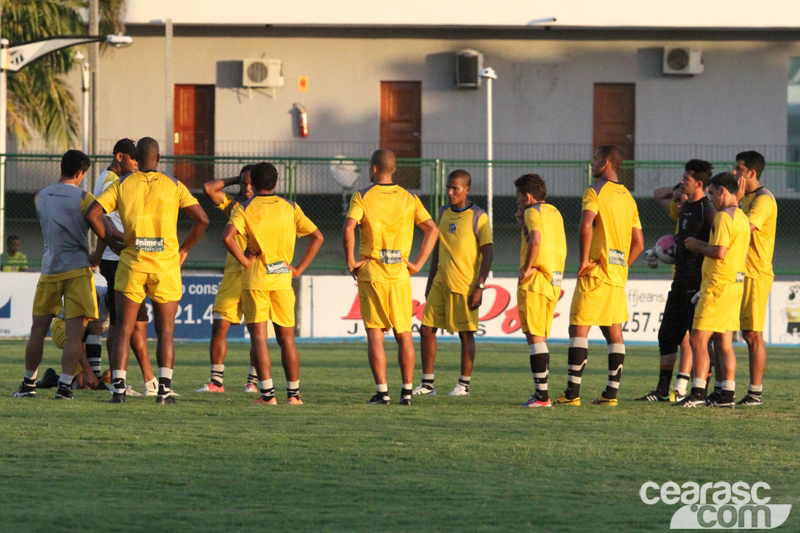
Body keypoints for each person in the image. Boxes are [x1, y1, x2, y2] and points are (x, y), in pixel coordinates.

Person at [85, 137, 209, 404]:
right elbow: (202, 219)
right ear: (159, 158)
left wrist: (111, 242)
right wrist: (185, 248)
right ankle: (163, 391)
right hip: (165, 265)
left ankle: (118, 391)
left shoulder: (122, 184)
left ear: (137, 159)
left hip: (133, 263)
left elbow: (92, 214)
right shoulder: (174, 185)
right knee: (166, 332)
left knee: (124, 329)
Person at [343, 149, 438, 406]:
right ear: (393, 169)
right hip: (399, 274)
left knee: (375, 334)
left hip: (372, 272)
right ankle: (407, 393)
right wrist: (417, 264)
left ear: (373, 169)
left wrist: (351, 260)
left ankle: (382, 393)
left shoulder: (362, 196)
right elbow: (432, 229)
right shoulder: (410, 198)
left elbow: (349, 227)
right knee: (404, 333)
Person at [223, 162, 323, 405]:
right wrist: (298, 268)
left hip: (256, 278)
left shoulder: (245, 207)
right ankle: (294, 395)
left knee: (259, 338)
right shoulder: (290, 207)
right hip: (282, 279)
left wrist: (246, 262)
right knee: (287, 338)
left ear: (253, 184)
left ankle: (268, 395)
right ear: (276, 183)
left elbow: (227, 237)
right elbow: (317, 237)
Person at [556, 145, 644, 406]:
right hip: (617, 275)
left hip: (595, 273)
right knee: (614, 332)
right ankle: (611, 394)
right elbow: (638, 243)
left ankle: (572, 393)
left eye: (595, 159)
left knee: (578, 328)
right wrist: (623, 265)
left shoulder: (595, 191)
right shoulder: (629, 197)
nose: (592, 163)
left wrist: (584, 260)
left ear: (605, 162)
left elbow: (586, 224)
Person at [13, 150, 99, 400]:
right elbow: (101, 227)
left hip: (50, 268)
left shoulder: (41, 196)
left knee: (38, 330)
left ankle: (28, 384)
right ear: (80, 173)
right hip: (77, 269)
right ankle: (63, 387)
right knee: (75, 333)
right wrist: (97, 254)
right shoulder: (85, 197)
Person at [636, 160, 715, 402]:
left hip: (697, 281)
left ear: (699, 184)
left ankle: (700, 391)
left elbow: (720, 246)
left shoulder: (708, 210)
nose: (682, 182)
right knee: (667, 335)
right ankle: (662, 391)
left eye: (686, 178)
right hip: (679, 280)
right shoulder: (686, 208)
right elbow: (681, 243)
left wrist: (707, 283)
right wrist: (659, 253)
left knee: (698, 338)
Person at [412, 169, 493, 397]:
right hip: (440, 282)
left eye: (454, 188)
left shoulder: (479, 216)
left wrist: (480, 285)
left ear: (466, 190)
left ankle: (463, 385)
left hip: (465, 285)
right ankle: (428, 384)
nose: (449, 192)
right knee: (426, 329)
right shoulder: (442, 213)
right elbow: (438, 248)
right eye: (448, 187)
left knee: (465, 334)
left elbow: (488, 253)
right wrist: (429, 281)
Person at [677, 172, 750, 408]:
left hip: (717, 286)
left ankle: (697, 392)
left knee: (698, 339)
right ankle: (725, 394)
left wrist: (697, 244)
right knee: (724, 342)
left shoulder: (723, 218)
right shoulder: (741, 218)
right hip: (734, 284)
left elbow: (720, 251)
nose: (711, 198)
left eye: (712, 193)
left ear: (722, 191)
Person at [93, 138, 158, 396]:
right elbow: (102, 221)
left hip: (118, 258)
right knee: (126, 325)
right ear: (120, 157)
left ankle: (140, 380)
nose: (136, 165)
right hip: (119, 260)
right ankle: (129, 382)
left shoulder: (113, 180)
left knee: (129, 324)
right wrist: (125, 241)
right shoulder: (113, 182)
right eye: (133, 160)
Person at [198, 165, 259, 393]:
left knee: (257, 331)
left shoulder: (272, 207)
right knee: (219, 326)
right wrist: (237, 178)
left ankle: (252, 383)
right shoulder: (234, 205)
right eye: (244, 183)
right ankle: (216, 382)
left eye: (252, 183)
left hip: (257, 275)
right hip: (233, 275)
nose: (248, 188)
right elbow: (208, 188)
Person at [514, 174, 566, 408]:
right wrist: (523, 226)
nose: (517, 202)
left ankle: (542, 397)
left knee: (534, 338)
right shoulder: (554, 212)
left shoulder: (531, 211)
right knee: (539, 338)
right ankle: (541, 394)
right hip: (554, 280)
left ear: (527, 196)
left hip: (536, 280)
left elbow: (536, 239)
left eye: (518, 197)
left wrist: (526, 269)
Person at [733, 151, 777, 406]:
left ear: (751, 172)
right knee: (721, 331)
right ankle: (721, 388)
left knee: (752, 335)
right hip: (734, 272)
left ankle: (754, 393)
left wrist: (735, 201)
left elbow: (742, 229)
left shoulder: (764, 200)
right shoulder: (744, 198)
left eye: (738, 168)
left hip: (755, 274)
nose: (735, 172)